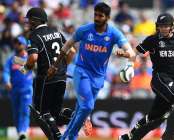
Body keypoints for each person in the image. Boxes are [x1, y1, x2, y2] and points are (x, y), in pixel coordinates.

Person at [47, 2, 136, 140]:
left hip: (99, 77)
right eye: (95, 14)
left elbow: (131, 53)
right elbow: (67, 46)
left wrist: (123, 54)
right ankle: (72, 135)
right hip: (82, 72)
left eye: (100, 16)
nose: (97, 18)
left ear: (107, 17)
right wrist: (54, 65)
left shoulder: (114, 33)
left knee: (80, 109)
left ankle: (66, 137)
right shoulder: (84, 30)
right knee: (87, 106)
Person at [119, 13, 174, 140]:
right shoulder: (152, 40)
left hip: (173, 81)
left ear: (172, 26)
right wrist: (129, 64)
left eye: (166, 26)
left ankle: (129, 137)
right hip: (159, 79)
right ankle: (169, 137)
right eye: (161, 26)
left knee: (155, 117)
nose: (163, 28)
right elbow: (134, 53)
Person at [21, 7, 76, 140]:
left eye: (29, 20)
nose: (28, 23)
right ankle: (77, 117)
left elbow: (33, 58)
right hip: (62, 77)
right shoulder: (56, 32)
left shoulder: (34, 36)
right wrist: (63, 67)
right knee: (56, 114)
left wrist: (26, 67)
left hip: (46, 78)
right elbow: (72, 51)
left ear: (35, 21)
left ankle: (57, 137)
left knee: (41, 112)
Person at [2, 36, 33, 140]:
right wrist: (6, 81)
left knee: (24, 111)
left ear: (24, 45)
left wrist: (22, 62)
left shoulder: (30, 58)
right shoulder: (11, 60)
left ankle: (23, 132)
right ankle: (20, 133)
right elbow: (6, 71)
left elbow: (31, 67)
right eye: (15, 43)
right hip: (14, 90)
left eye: (19, 43)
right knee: (16, 113)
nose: (16, 45)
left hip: (27, 89)